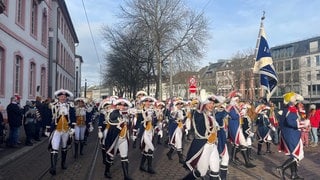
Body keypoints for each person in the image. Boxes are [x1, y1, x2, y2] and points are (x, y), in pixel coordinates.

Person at [183, 95, 220, 179]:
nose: (211, 105)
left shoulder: (211, 115)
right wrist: (201, 103)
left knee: (215, 169)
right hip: (204, 146)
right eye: (209, 103)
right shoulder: (198, 114)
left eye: (213, 103)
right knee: (201, 172)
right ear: (204, 104)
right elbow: (199, 116)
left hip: (213, 145)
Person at [277, 92, 306, 179]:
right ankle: (282, 168)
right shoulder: (290, 110)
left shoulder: (286, 110)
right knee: (297, 155)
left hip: (289, 134)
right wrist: (301, 125)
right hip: (292, 135)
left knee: (293, 155)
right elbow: (290, 122)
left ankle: (294, 175)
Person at [46, 89, 76, 175]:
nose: (63, 98)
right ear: (58, 97)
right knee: (54, 147)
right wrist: (48, 129)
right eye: (61, 96)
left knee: (64, 146)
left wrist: (73, 127)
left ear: (66, 98)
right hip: (56, 129)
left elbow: (73, 117)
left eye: (64, 96)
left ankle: (63, 163)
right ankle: (53, 167)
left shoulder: (70, 106)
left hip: (66, 130)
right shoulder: (53, 105)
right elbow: (49, 117)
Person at [104, 98, 133, 180]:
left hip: (123, 138)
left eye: (124, 105)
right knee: (111, 156)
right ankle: (106, 171)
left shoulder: (127, 114)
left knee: (125, 157)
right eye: (120, 105)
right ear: (116, 105)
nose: (122, 107)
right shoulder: (114, 113)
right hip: (115, 138)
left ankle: (126, 176)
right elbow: (112, 119)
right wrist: (122, 116)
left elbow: (129, 125)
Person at [226, 91, 255, 168]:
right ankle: (242, 161)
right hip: (234, 127)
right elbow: (234, 116)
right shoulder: (231, 108)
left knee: (241, 144)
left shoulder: (235, 107)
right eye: (237, 100)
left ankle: (243, 161)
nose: (238, 101)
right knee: (241, 144)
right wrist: (242, 113)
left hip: (237, 127)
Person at [139, 96, 157, 174]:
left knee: (147, 150)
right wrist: (145, 119)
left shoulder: (153, 110)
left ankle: (142, 166)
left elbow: (155, 120)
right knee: (151, 148)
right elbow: (138, 121)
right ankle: (149, 167)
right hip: (145, 132)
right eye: (146, 101)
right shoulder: (141, 110)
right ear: (144, 102)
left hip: (151, 131)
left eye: (149, 102)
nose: (148, 103)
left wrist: (155, 118)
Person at [214, 95, 229, 180]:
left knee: (225, 158)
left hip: (222, 138)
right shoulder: (216, 113)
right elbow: (219, 117)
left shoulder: (220, 112)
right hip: (217, 138)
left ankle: (222, 177)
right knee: (219, 158)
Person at [166, 99, 186, 164]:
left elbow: (184, 119)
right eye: (178, 104)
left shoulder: (182, 111)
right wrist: (176, 119)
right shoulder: (173, 111)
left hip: (180, 128)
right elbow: (171, 118)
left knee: (176, 142)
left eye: (180, 104)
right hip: (175, 128)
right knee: (178, 142)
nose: (179, 105)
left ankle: (169, 153)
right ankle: (181, 158)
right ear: (176, 105)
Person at [98, 98, 114, 171]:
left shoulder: (113, 112)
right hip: (105, 130)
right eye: (107, 106)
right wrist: (100, 131)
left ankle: (110, 159)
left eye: (110, 106)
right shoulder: (103, 113)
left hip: (112, 130)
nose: (109, 108)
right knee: (104, 145)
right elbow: (100, 122)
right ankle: (104, 158)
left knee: (112, 144)